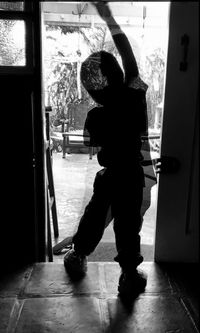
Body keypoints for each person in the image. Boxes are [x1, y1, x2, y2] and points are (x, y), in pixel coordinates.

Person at [64, 2, 149, 301]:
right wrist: (109, 18)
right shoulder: (135, 94)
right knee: (128, 226)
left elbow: (92, 142)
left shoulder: (97, 116)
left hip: (109, 174)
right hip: (132, 175)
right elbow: (127, 54)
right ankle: (128, 275)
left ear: (91, 86)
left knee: (95, 214)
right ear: (116, 73)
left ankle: (77, 256)